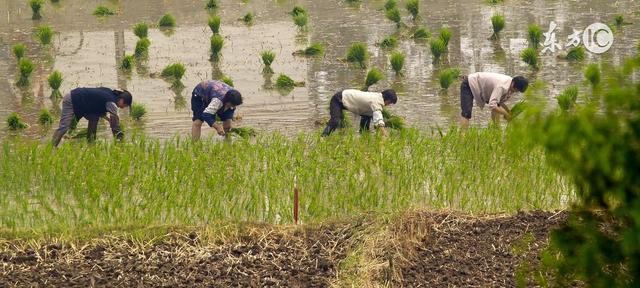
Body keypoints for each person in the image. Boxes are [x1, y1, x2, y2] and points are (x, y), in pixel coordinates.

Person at [52, 87, 132, 147]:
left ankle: (91, 143)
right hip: (73, 99)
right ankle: (52, 147)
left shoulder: (110, 94)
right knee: (64, 127)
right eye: (124, 105)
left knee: (94, 118)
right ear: (121, 99)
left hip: (84, 103)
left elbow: (97, 105)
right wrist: (120, 138)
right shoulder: (112, 102)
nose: (122, 107)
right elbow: (115, 126)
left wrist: (109, 120)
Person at [459, 72, 529, 128]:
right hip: (469, 83)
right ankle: (463, 139)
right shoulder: (502, 86)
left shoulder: (511, 84)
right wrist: (506, 114)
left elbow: (499, 102)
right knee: (466, 113)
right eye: (515, 90)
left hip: (481, 87)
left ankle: (497, 131)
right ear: (513, 83)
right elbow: (492, 105)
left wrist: (508, 111)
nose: (514, 92)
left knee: (497, 106)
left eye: (517, 91)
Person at [322, 89, 398, 136]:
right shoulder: (377, 101)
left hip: (347, 98)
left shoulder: (377, 97)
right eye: (390, 103)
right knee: (335, 121)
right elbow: (378, 120)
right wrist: (384, 133)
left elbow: (376, 119)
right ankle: (323, 137)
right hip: (338, 99)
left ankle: (363, 136)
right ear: (387, 100)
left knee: (366, 121)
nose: (388, 105)